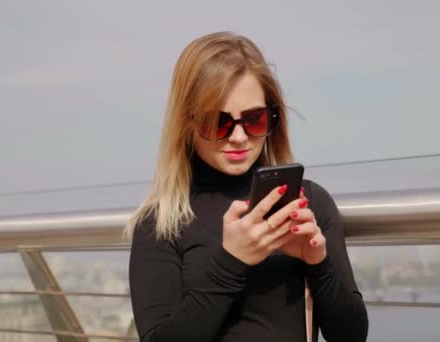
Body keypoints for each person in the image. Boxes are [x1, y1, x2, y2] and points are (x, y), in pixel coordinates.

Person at [126, 31, 368, 342]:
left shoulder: (307, 202)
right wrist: (232, 261)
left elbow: (352, 336)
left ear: (273, 116)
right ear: (186, 124)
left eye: (254, 120)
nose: (239, 137)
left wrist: (318, 263)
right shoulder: (160, 223)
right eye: (218, 122)